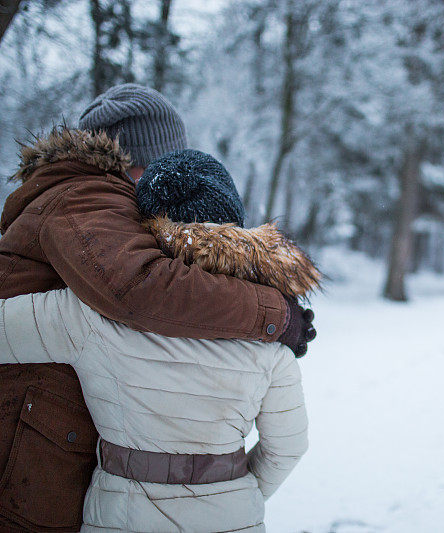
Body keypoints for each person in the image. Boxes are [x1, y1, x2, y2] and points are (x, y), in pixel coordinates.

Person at [0, 84, 316, 531]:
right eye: (158, 165)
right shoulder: (89, 197)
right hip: (32, 442)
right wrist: (274, 315)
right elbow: (141, 287)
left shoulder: (94, 209)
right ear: (132, 160)